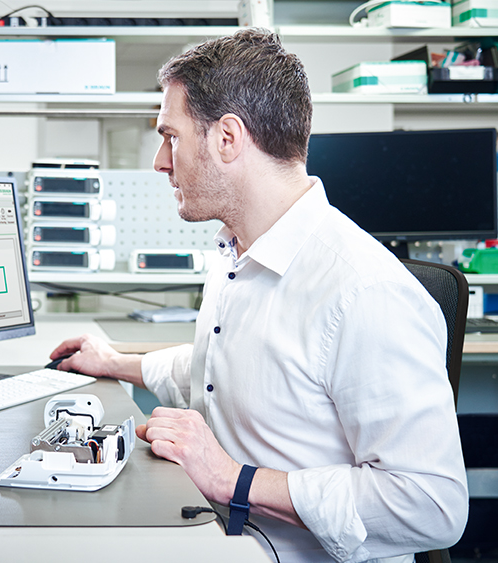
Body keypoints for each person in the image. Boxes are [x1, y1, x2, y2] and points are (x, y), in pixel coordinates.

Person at [49, 29, 468, 563]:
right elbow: (230, 370)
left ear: (227, 138)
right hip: (217, 536)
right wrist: (117, 363)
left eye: (170, 136)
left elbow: (433, 505)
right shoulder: (236, 252)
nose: (160, 161)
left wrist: (234, 480)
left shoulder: (365, 291)